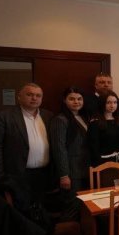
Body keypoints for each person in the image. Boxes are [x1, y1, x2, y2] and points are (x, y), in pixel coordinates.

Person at [0, 83, 54, 205]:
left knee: (40, 209)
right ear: (19, 97)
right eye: (29, 94)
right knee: (18, 211)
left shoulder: (48, 116)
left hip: (44, 175)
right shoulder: (4, 116)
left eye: (38, 95)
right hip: (16, 176)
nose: (34, 98)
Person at [49, 87, 89, 219]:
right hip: (71, 172)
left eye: (79, 99)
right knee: (72, 207)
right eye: (71, 99)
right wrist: (64, 175)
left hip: (84, 169)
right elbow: (59, 148)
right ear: (64, 100)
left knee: (84, 207)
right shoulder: (60, 119)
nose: (76, 102)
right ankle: (65, 231)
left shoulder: (83, 117)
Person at [88, 91, 119, 164]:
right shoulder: (95, 122)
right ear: (102, 103)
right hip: (103, 161)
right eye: (108, 102)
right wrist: (100, 163)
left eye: (115, 102)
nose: (112, 105)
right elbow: (94, 147)